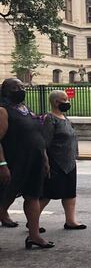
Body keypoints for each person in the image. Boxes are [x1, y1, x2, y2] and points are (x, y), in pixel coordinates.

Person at [0, 78, 54, 249]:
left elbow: (36, 135)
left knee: (33, 196)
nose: (21, 89)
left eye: (22, 86)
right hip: (14, 162)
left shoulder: (25, 109)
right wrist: (2, 165)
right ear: (7, 91)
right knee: (4, 198)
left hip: (34, 160)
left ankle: (34, 236)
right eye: (17, 87)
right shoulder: (3, 110)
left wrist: (44, 158)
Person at [39, 90, 86, 230]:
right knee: (48, 194)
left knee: (70, 193)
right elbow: (44, 143)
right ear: (56, 102)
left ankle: (70, 221)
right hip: (55, 163)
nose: (68, 102)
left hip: (69, 163)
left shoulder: (65, 118)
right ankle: (33, 220)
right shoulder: (50, 119)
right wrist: (46, 162)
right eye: (64, 100)